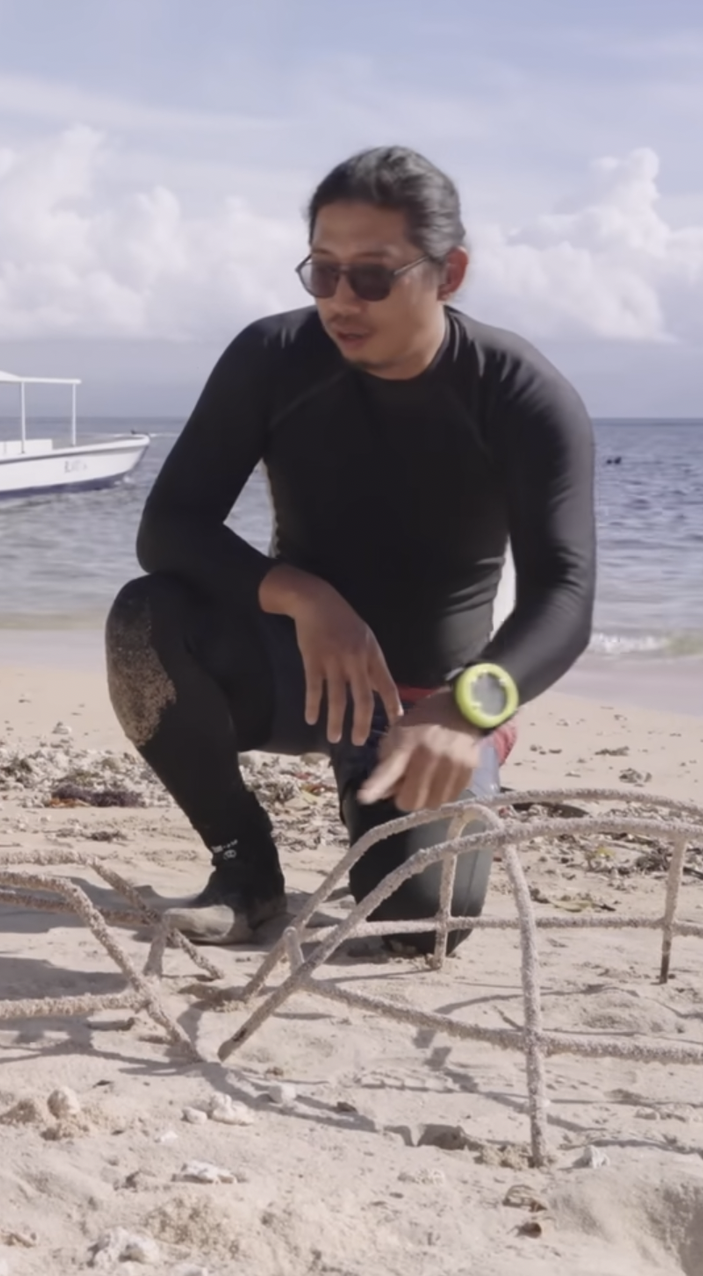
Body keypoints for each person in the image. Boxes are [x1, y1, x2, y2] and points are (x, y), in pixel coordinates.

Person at [104, 145, 599, 950]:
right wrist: (304, 598)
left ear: (449, 272)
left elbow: (566, 596)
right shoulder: (272, 359)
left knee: (424, 928)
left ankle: (381, 801)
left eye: (372, 276)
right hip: (298, 669)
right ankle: (245, 868)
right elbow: (170, 528)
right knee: (144, 623)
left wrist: (471, 708)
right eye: (322, 271)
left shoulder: (520, 394)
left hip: (431, 701)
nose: (341, 299)